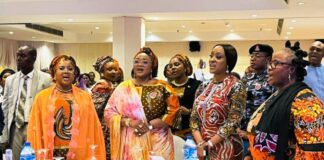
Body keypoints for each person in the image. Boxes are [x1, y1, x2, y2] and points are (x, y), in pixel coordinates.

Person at [247, 47, 324, 160]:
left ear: (291, 69)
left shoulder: (307, 102)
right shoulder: (277, 95)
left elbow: (313, 153)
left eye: (275, 63)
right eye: (270, 63)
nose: (269, 68)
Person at [104, 47, 180, 160]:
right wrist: (130, 122)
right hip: (130, 142)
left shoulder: (163, 86)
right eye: (136, 61)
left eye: (145, 62)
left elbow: (174, 111)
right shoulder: (123, 87)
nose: (140, 64)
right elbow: (109, 113)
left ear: (152, 66)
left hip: (158, 141)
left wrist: (150, 126)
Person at [27, 55, 106, 159]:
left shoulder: (85, 97)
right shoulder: (42, 98)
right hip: (50, 154)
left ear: (74, 74)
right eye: (61, 68)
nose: (66, 71)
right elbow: (35, 130)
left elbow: (93, 129)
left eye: (70, 69)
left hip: (80, 154)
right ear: (53, 74)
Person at [190, 44, 247, 159]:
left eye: (218, 57)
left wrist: (210, 143)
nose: (212, 60)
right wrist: (200, 142)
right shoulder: (203, 86)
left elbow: (233, 121)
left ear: (228, 62)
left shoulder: (236, 86)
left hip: (226, 147)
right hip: (201, 145)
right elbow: (194, 117)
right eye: (211, 56)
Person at [0, 45, 52, 160]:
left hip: (35, 127)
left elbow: (50, 108)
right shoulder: (10, 80)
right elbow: (6, 108)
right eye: (17, 55)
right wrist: (3, 136)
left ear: (34, 58)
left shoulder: (46, 79)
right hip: (15, 127)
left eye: (23, 56)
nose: (18, 59)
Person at [237, 44, 276, 159]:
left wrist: (250, 134)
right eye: (252, 56)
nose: (253, 58)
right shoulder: (246, 78)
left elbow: (272, 113)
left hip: (261, 136)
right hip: (241, 133)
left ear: (268, 59)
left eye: (257, 56)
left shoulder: (272, 79)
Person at [91, 56, 123, 159]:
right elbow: (95, 109)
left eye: (116, 69)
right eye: (109, 69)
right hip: (103, 127)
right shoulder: (102, 86)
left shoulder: (110, 84)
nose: (114, 72)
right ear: (102, 72)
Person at [167, 54, 201, 138]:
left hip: (191, 132)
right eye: (170, 66)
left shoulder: (197, 85)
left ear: (186, 67)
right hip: (170, 133)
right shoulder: (167, 87)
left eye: (177, 64)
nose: (173, 68)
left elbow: (204, 109)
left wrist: (189, 111)